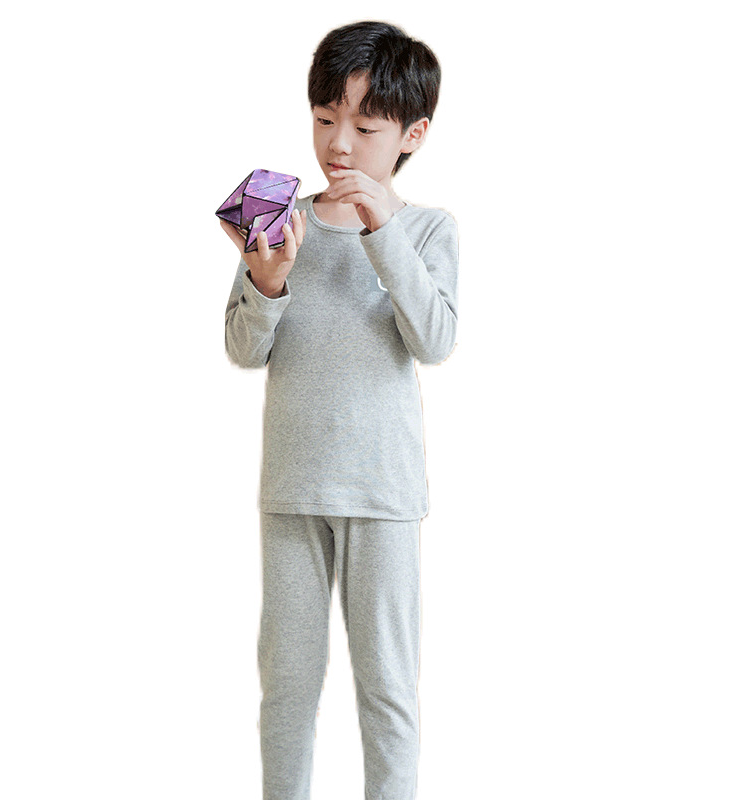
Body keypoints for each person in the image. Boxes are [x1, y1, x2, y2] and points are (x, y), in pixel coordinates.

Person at [221, 20, 459, 800]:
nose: (339, 144)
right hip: (292, 491)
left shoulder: (427, 229)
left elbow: (434, 338)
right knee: (286, 687)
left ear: (412, 134)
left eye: (365, 126)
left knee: (387, 688)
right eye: (325, 118)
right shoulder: (278, 219)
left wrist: (382, 228)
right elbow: (242, 349)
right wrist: (268, 280)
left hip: (383, 495)